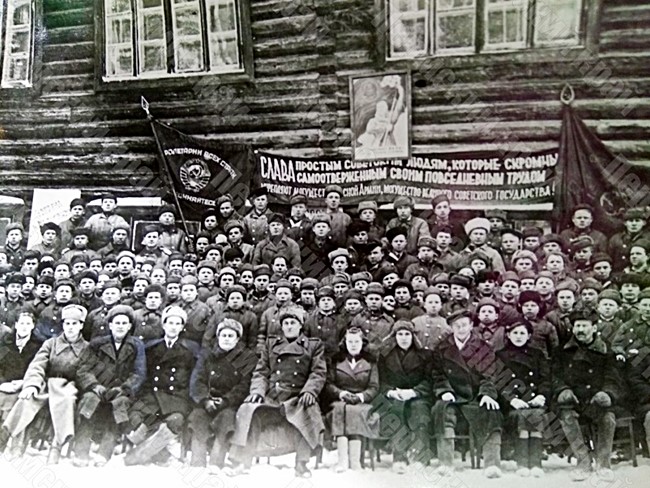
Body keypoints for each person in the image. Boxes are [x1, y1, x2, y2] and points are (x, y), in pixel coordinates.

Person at [228, 306, 326, 478]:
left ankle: (302, 464)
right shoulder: (271, 344)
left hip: (297, 396)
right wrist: (258, 391)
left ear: (300, 325)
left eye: (293, 323)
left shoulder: (313, 345)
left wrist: (310, 391)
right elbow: (261, 371)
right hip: (273, 396)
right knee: (248, 410)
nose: (289, 326)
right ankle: (242, 461)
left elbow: (318, 372)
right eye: (286, 323)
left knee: (309, 411)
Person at [0, 304, 89, 464]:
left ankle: (56, 446)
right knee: (27, 398)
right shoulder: (51, 343)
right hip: (46, 383)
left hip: (69, 386)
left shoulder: (87, 348)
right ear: (62, 324)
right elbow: (37, 365)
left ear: (81, 325)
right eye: (67, 323)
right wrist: (32, 385)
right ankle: (9, 436)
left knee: (67, 402)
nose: (70, 327)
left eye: (75, 323)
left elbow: (87, 372)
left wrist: (80, 386)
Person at [124, 305, 200, 466]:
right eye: (170, 323)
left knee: (175, 420)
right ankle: (163, 455)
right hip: (152, 395)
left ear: (182, 327)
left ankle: (137, 455)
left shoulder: (190, 350)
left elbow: (192, 381)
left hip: (176, 398)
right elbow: (144, 377)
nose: (173, 327)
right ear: (164, 325)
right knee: (137, 416)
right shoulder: (151, 348)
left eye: (177, 323)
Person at [431, 310, 503, 478]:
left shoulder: (484, 347)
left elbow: (489, 375)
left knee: (492, 411)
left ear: (471, 325)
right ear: (451, 327)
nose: (461, 329)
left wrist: (486, 393)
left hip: (475, 395)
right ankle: (446, 464)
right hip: (452, 395)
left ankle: (492, 465)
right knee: (441, 410)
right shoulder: (442, 348)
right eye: (457, 325)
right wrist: (445, 390)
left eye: (464, 325)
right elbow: (437, 374)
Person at [553, 310, 622, 482]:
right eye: (577, 326)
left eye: (585, 325)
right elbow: (554, 375)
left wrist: (606, 393)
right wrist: (563, 390)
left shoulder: (605, 350)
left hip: (597, 399)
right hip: (573, 400)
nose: (581, 330)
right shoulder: (562, 351)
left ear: (594, 328)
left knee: (608, 419)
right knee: (567, 417)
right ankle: (583, 461)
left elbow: (613, 376)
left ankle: (603, 464)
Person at [73, 305, 146, 466]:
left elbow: (139, 373)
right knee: (88, 402)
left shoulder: (136, 345)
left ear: (129, 326)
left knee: (119, 406)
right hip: (97, 389)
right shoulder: (97, 344)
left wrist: (124, 389)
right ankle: (81, 451)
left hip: (121, 392)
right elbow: (84, 369)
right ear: (110, 325)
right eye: (117, 323)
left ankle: (104, 453)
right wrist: (94, 386)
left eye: (124, 323)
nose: (120, 326)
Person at [188, 318, 257, 470]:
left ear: (238, 338)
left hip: (229, 403)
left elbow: (244, 385)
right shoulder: (207, 355)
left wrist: (225, 401)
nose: (226, 339)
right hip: (207, 401)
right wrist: (205, 400)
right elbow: (197, 380)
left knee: (225, 421)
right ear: (218, 337)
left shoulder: (246, 358)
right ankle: (197, 462)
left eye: (230, 336)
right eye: (223, 335)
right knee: (198, 418)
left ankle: (215, 462)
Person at [496, 321, 551, 477]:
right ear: (508, 335)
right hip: (512, 404)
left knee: (536, 414)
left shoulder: (537, 354)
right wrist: (512, 399)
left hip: (535, 401)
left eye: (522, 333)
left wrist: (541, 395)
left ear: (529, 336)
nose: (518, 337)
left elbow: (546, 379)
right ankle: (522, 462)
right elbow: (499, 383)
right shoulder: (500, 355)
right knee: (523, 415)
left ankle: (535, 463)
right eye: (515, 333)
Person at [376, 320, 432, 474]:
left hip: (418, 395)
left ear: (413, 336)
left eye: (407, 334)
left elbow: (429, 379)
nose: (404, 338)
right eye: (400, 334)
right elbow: (381, 380)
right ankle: (399, 458)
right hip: (394, 395)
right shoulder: (385, 356)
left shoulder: (425, 355)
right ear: (394, 337)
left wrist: (414, 392)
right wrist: (391, 392)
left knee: (420, 414)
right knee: (395, 413)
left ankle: (420, 458)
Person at [325, 327, 380, 472]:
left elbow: (374, 387)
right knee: (339, 410)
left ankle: (355, 461)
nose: (353, 344)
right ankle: (342, 461)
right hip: (341, 400)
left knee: (355, 411)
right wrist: (341, 393)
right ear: (345, 343)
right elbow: (329, 384)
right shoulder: (336, 361)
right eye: (350, 341)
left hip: (362, 402)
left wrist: (361, 396)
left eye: (357, 341)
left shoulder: (370, 362)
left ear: (362, 343)